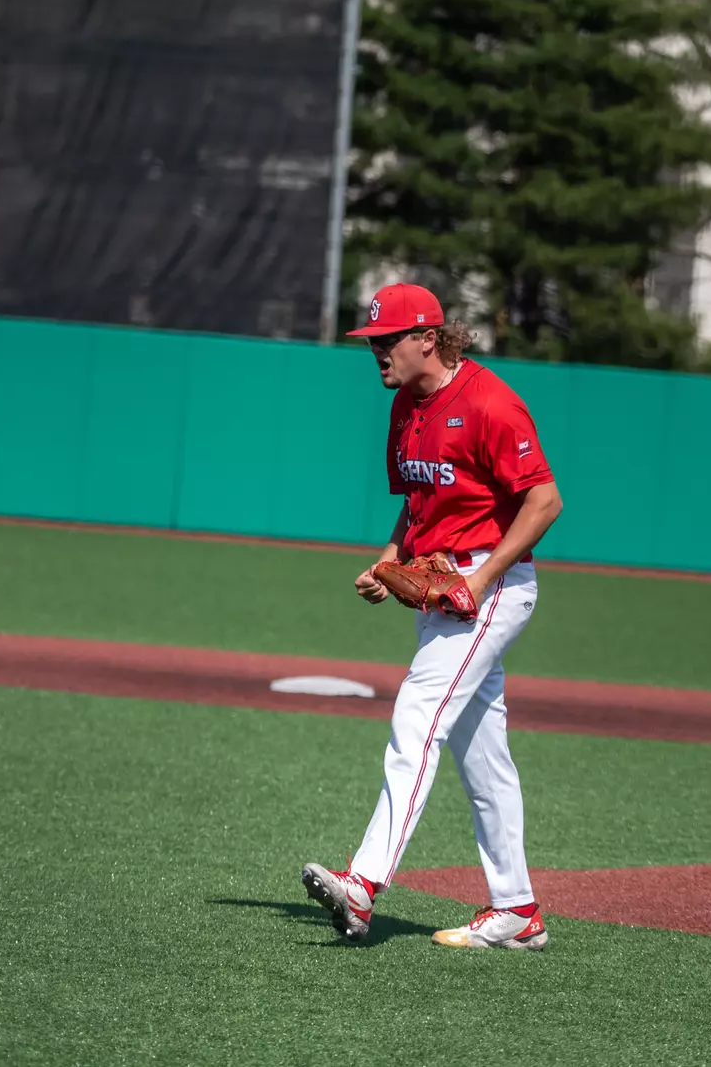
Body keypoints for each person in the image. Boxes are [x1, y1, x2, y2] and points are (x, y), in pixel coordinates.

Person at [301, 283, 563, 950]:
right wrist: (388, 563)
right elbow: (419, 503)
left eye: (386, 341)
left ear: (428, 338)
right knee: (484, 755)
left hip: (491, 585)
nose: (377, 353)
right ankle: (517, 911)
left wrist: (482, 577)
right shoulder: (404, 407)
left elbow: (544, 502)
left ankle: (363, 884)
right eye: (372, 343)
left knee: (417, 712)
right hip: (440, 586)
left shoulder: (489, 403)